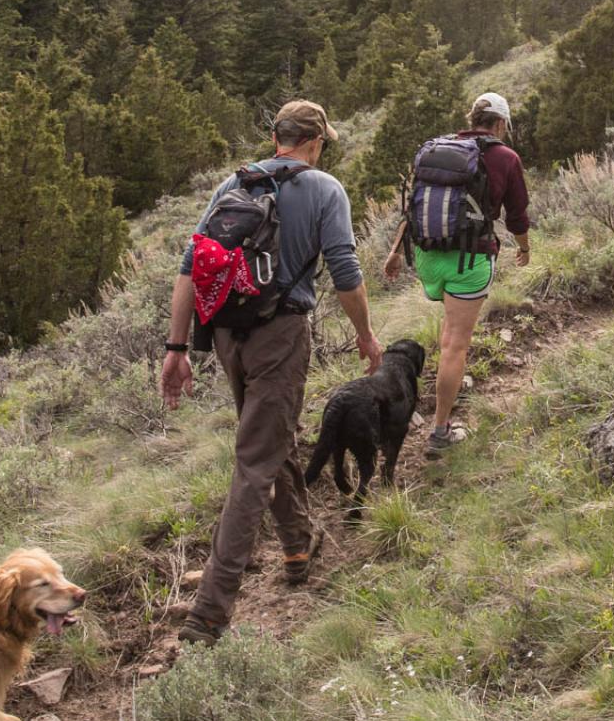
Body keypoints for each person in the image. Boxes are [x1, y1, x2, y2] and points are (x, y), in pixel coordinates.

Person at [161, 100, 381, 645]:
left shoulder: (234, 184)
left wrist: (176, 346)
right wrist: (365, 334)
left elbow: (191, 266)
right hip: (280, 335)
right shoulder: (325, 189)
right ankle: (209, 612)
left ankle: (297, 545)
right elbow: (346, 272)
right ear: (316, 141)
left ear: (277, 136)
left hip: (228, 336)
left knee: (272, 434)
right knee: (256, 461)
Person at [384, 91, 530, 456]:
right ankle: (440, 431)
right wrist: (524, 248)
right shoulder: (505, 157)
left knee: (450, 335)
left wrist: (393, 253)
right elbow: (517, 217)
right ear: (499, 123)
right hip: (468, 260)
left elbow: (412, 204)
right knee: (454, 344)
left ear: (472, 118)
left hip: (428, 257)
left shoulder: (437, 149)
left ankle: (447, 382)